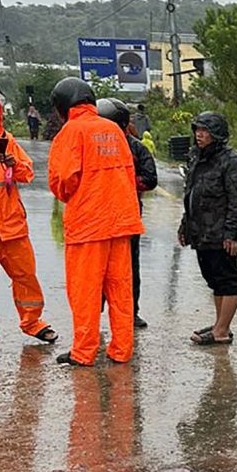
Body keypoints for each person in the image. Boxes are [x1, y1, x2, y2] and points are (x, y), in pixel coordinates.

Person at [48, 77, 143, 366]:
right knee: (120, 290)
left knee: (85, 292)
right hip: (121, 222)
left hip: (89, 225)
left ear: (62, 106)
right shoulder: (113, 129)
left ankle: (84, 352)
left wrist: (70, 195)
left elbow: (64, 180)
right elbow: (129, 173)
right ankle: (122, 349)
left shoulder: (71, 131)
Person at [0, 89, 57, 355]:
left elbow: (27, 172)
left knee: (26, 278)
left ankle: (33, 323)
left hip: (12, 228)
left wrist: (12, 163)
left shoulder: (5, 140)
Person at [179, 111, 237, 346]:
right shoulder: (197, 157)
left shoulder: (232, 161)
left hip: (221, 231)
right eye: (197, 130)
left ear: (216, 134)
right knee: (213, 279)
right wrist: (185, 225)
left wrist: (232, 233)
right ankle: (220, 323)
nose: (199, 135)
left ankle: (222, 330)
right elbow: (191, 194)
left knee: (227, 279)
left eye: (205, 131)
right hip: (202, 230)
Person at [97, 97, 157, 329]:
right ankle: (94, 310)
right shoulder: (93, 145)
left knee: (128, 267)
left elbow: (150, 179)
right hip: (97, 216)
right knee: (96, 269)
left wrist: (123, 181)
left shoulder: (136, 148)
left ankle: (130, 311)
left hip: (126, 216)